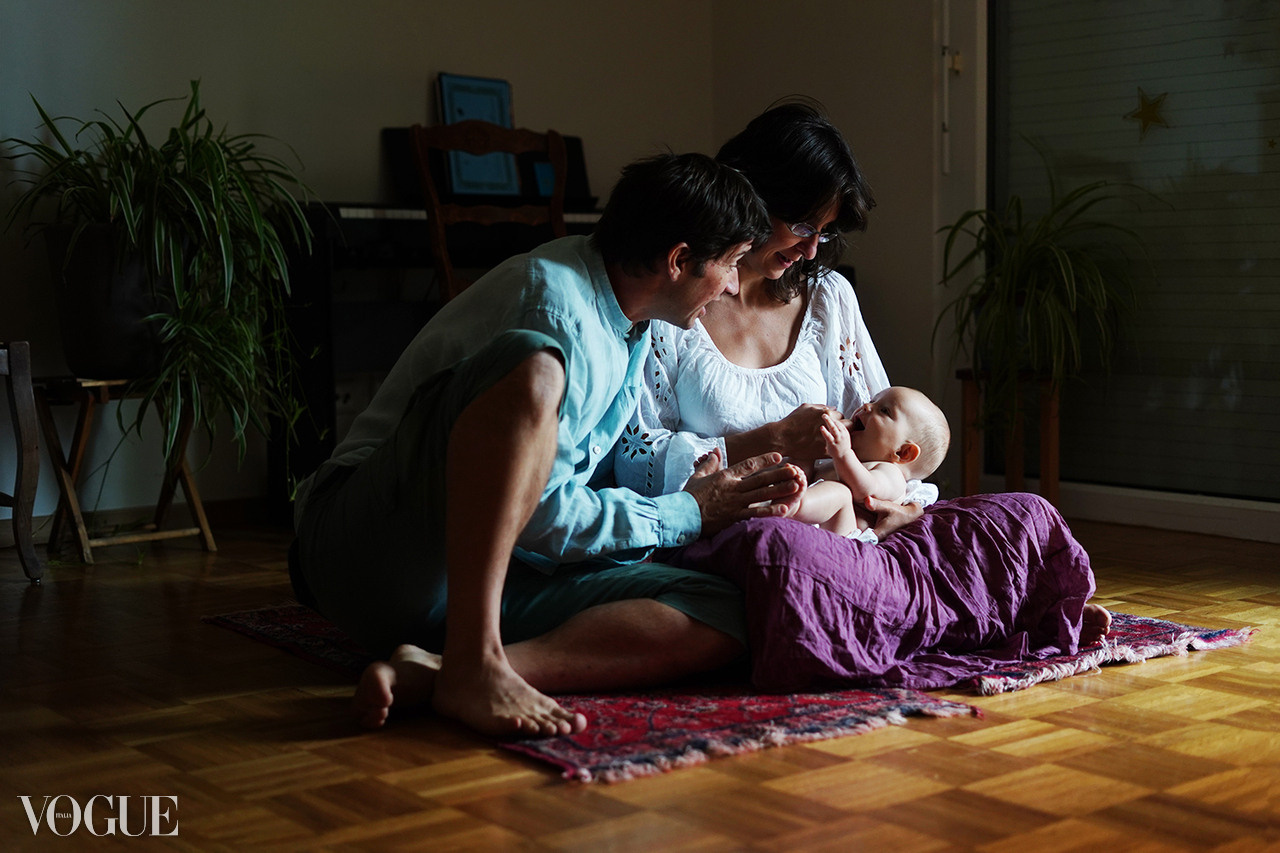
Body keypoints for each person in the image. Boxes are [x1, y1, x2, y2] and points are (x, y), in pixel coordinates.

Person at [290, 152, 808, 739]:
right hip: (370, 549)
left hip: (482, 576)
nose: (736, 286)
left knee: (726, 610)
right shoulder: (554, 304)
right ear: (679, 260)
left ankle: (447, 671)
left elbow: (554, 503)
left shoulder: (633, 317)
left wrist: (696, 496)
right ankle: (476, 660)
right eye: (734, 264)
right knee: (533, 367)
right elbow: (538, 512)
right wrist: (688, 512)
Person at [614, 101, 935, 529]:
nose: (812, 250)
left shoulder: (828, 299)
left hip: (833, 533)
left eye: (825, 232)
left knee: (1024, 515)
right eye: (803, 226)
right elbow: (636, 464)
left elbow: (894, 443)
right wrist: (772, 440)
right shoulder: (674, 302)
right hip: (729, 529)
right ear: (754, 197)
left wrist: (902, 507)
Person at [791, 386, 950, 541]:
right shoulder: (839, 462)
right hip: (811, 524)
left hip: (844, 536)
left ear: (903, 452)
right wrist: (805, 453)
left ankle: (788, 506)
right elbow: (807, 478)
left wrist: (843, 453)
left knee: (841, 494)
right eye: (871, 401)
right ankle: (786, 502)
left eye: (884, 411)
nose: (866, 406)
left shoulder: (891, 473)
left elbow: (864, 491)